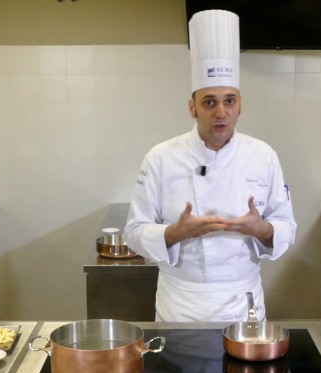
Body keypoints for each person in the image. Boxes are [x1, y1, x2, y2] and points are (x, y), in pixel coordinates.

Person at [125, 9, 297, 323]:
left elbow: (287, 226)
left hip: (242, 303)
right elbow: (134, 232)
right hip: (180, 304)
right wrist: (175, 233)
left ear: (240, 105)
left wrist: (261, 229)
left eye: (229, 100)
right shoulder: (161, 157)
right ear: (193, 108)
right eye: (209, 102)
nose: (220, 112)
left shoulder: (263, 155)